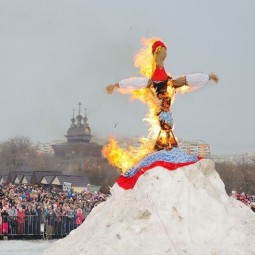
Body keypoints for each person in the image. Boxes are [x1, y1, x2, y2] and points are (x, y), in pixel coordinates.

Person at [106, 39, 219, 151]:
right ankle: (165, 143)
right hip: (162, 110)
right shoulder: (161, 82)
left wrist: (208, 77)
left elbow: (187, 80)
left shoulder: (168, 82)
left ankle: (165, 143)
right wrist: (117, 85)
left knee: (166, 126)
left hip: (164, 111)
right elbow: (134, 82)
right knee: (165, 126)